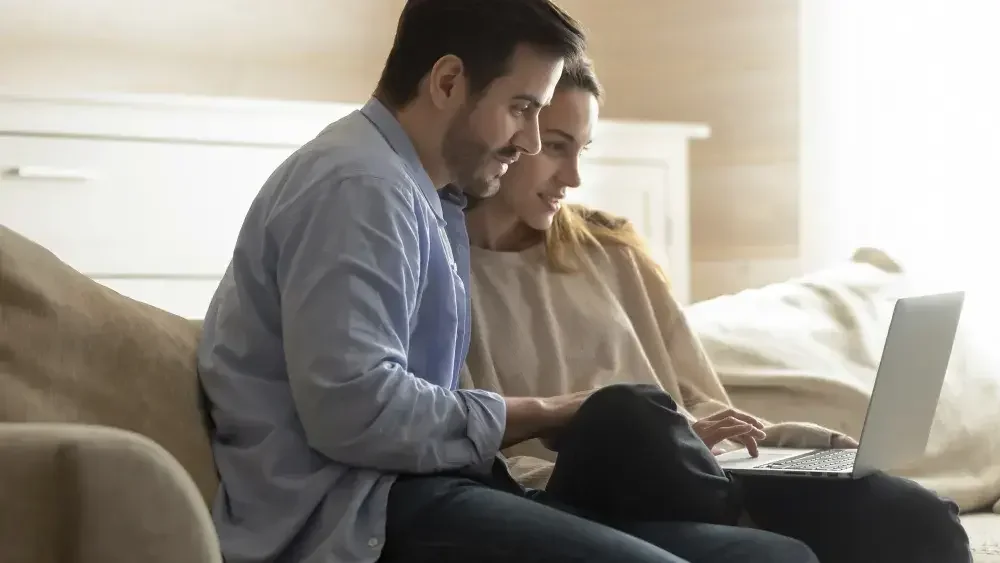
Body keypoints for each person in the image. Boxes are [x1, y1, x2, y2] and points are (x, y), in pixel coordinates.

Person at [196, 1, 820, 562]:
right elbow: (355, 412)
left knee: (768, 553)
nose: (526, 140)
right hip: (359, 515)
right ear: (447, 82)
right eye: (522, 109)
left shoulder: (419, 193)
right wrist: (549, 413)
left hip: (428, 485)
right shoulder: (360, 188)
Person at [461, 58, 974, 563]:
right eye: (556, 147)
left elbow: (708, 407)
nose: (572, 176)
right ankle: (751, 511)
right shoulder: (443, 274)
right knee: (627, 415)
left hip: (705, 472)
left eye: (582, 150)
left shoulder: (612, 252)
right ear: (511, 133)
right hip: (589, 495)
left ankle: (767, 498)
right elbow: (476, 455)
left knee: (918, 517)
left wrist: (809, 446)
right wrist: (664, 448)